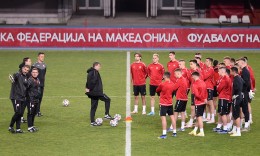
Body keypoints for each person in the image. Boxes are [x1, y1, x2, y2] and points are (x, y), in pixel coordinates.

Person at [85, 62, 113, 126]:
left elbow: (88, 81)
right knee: (107, 100)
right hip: (96, 92)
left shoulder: (91, 72)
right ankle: (106, 115)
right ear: (96, 66)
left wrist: (87, 88)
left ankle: (93, 121)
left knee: (94, 106)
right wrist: (90, 89)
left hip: (94, 92)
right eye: (99, 66)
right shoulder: (94, 72)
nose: (100, 67)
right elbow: (93, 82)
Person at [8, 65, 30, 133]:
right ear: (22, 69)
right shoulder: (17, 74)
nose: (26, 71)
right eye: (25, 69)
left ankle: (18, 129)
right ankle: (10, 126)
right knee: (18, 112)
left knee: (20, 113)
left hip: (22, 98)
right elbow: (13, 78)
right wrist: (12, 79)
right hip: (16, 97)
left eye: (27, 70)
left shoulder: (26, 77)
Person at [156, 72, 177, 139]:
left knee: (163, 118)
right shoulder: (173, 84)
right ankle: (174, 132)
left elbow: (157, 90)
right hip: (170, 103)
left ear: (164, 76)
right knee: (172, 117)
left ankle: (164, 134)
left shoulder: (162, 84)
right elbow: (174, 92)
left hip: (163, 103)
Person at [188, 71, 207, 137]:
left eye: (192, 76)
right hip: (203, 102)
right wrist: (205, 98)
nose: (192, 77)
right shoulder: (203, 82)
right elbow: (205, 92)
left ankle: (202, 132)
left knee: (199, 117)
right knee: (199, 116)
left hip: (199, 102)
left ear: (194, 76)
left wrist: (200, 98)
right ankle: (195, 130)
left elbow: (196, 94)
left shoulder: (195, 84)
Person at [213, 67, 232, 134]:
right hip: (225, 97)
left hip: (223, 97)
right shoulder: (226, 78)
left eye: (219, 71)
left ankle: (225, 128)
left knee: (223, 113)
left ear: (222, 72)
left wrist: (218, 87)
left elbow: (219, 88)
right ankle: (220, 126)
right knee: (221, 113)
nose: (218, 72)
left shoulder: (224, 79)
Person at [237, 58, 251, 131]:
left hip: (243, 92)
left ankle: (246, 125)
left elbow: (246, 83)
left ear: (242, 63)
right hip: (244, 92)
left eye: (239, 63)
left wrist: (243, 90)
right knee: (244, 109)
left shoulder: (245, 71)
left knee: (245, 109)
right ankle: (246, 124)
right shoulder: (244, 71)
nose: (238, 64)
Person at [229, 67, 243, 136]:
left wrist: (235, 95)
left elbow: (237, 88)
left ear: (234, 72)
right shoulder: (239, 78)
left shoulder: (236, 79)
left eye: (231, 71)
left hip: (236, 98)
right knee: (235, 114)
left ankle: (238, 132)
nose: (230, 72)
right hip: (240, 97)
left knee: (236, 115)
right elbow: (244, 84)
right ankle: (234, 129)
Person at [33, 52, 47, 117]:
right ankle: (35, 111)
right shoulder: (35, 65)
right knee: (36, 98)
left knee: (40, 98)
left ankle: (38, 111)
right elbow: (32, 75)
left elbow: (44, 75)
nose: (42, 58)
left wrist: (44, 84)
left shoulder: (44, 65)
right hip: (36, 85)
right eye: (41, 56)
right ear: (38, 57)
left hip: (42, 84)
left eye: (43, 56)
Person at [27, 68, 41, 132]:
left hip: (36, 99)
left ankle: (32, 126)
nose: (34, 73)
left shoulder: (37, 79)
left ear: (38, 73)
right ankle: (29, 127)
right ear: (31, 73)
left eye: (36, 72)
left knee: (34, 113)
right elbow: (25, 88)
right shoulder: (30, 80)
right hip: (31, 99)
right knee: (30, 113)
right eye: (33, 72)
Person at [19, 57, 32, 123]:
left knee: (25, 105)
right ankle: (20, 118)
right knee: (23, 105)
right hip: (24, 91)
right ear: (25, 62)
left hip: (28, 90)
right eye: (29, 61)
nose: (30, 62)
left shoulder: (29, 69)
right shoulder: (23, 70)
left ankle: (21, 117)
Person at [204, 58, 215, 124]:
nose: (205, 62)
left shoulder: (211, 69)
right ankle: (208, 117)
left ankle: (212, 118)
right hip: (206, 87)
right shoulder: (206, 69)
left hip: (209, 87)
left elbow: (204, 76)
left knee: (210, 103)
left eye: (207, 61)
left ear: (210, 62)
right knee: (207, 103)